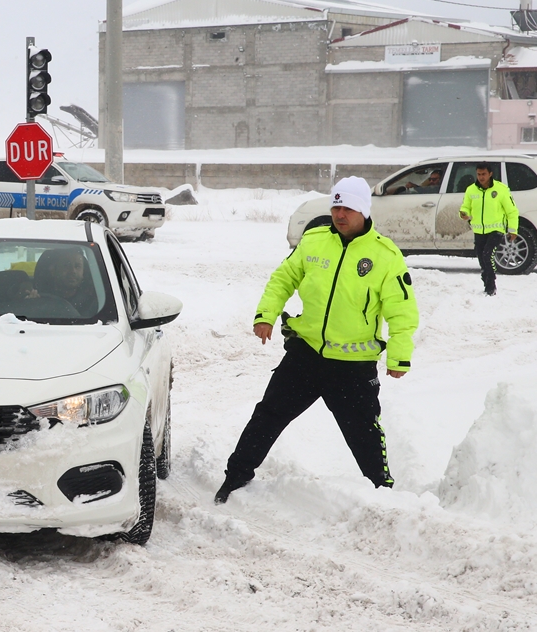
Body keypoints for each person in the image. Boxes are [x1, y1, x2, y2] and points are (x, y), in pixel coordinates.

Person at [214, 176, 420, 505]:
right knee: (267, 416)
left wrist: (399, 356)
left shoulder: (385, 255)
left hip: (352, 367)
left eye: (348, 208)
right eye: (336, 206)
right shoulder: (314, 241)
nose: (340, 214)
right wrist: (266, 314)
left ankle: (383, 493)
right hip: (305, 355)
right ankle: (235, 476)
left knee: (364, 433)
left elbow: (402, 312)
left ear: (364, 211)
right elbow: (284, 278)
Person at [459, 164, 519, 296]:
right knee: (481, 257)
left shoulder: (501, 190)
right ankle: (486, 279)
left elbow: (512, 211)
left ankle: (491, 286)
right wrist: (464, 213)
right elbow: (465, 206)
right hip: (479, 230)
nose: (481, 177)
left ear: (490, 174)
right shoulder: (471, 190)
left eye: (483, 174)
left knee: (488, 254)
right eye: (479, 174)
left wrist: (513, 229)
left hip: (496, 229)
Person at [33, 248, 96, 315]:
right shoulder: (38, 297)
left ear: (84, 272)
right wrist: (31, 304)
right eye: (66, 265)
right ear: (53, 271)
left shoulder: (94, 302)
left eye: (77, 266)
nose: (73, 271)